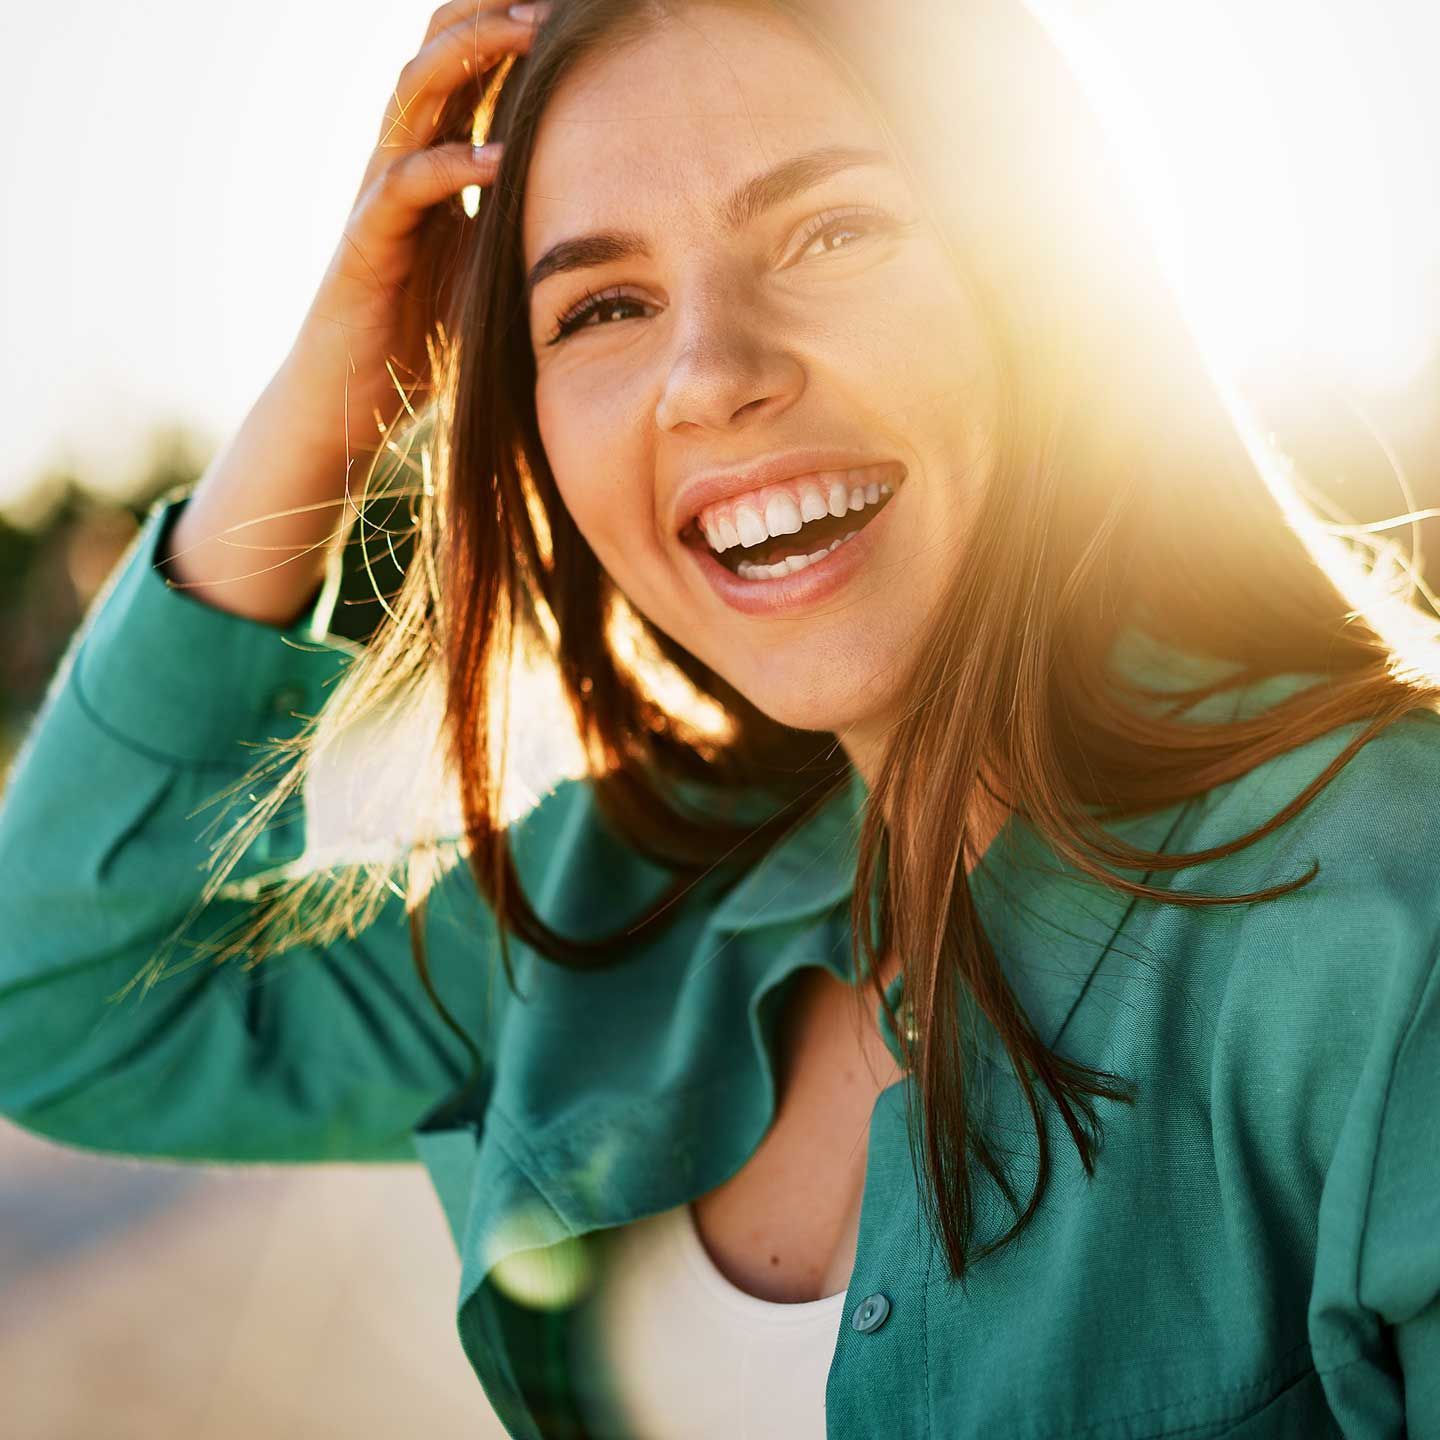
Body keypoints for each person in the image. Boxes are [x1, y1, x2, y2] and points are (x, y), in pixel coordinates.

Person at [2, 1, 1437, 1436]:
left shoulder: (1392, 927)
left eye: (831, 233)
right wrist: (329, 390)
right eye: (601, 307)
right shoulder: (600, 901)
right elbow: (61, 1011)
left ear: (1054, 279)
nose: (710, 375)